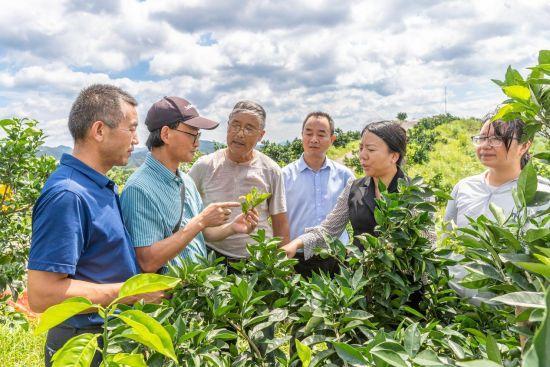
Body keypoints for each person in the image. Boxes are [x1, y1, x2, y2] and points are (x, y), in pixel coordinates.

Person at [27, 84, 162, 367]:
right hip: (82, 343)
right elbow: (41, 294)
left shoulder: (97, 185)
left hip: (107, 333)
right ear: (99, 130)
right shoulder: (69, 195)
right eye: (132, 128)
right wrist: (129, 292)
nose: (137, 140)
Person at [120, 97, 259, 273]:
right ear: (165, 134)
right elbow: (147, 261)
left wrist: (232, 228)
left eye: (199, 135)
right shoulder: (139, 189)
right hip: (171, 298)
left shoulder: (185, 180)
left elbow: (202, 234)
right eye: (192, 134)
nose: (197, 143)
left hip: (194, 293)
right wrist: (200, 221)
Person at [444, 116, 550, 304]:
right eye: (482, 138)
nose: (485, 145)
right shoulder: (464, 187)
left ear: (524, 145)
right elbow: (447, 240)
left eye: (497, 139)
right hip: (459, 303)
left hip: (515, 311)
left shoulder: (542, 193)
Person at [281, 121, 408, 260]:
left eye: (370, 150)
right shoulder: (354, 188)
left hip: (402, 277)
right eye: (361, 148)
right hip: (362, 275)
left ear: (394, 156)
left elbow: (426, 242)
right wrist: (296, 244)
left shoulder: (414, 193)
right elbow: (329, 229)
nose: (362, 155)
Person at [189, 100, 290, 261]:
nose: (240, 133)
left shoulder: (270, 170)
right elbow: (187, 214)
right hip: (213, 256)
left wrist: (284, 264)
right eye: (235, 125)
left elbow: (280, 223)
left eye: (249, 128)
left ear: (261, 135)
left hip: (258, 260)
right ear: (228, 127)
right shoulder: (205, 166)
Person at [282, 112, 354, 276]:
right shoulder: (284, 176)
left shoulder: (345, 176)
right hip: (297, 259)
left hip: (338, 257)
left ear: (332, 139)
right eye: (308, 133)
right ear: (301, 136)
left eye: (321, 134)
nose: (314, 139)